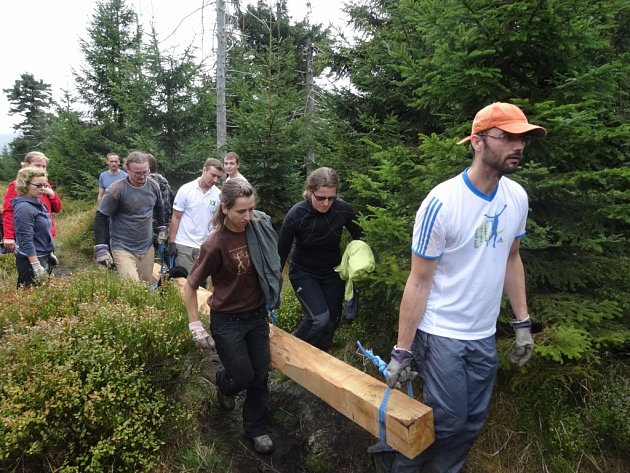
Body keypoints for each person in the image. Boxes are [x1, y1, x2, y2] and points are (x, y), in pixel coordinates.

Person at [383, 102, 543, 473]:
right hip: (442, 333)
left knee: (472, 422)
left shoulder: (516, 197)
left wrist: (522, 324)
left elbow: (511, 258)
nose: (517, 146)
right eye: (507, 137)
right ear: (477, 141)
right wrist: (402, 351)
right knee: (448, 422)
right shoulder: (442, 203)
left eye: (522, 138)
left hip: (483, 333)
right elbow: (419, 280)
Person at [183, 179, 281, 454]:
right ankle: (224, 384)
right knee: (242, 376)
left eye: (251, 209)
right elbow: (191, 285)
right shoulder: (215, 244)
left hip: (256, 316)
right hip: (227, 320)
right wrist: (195, 324)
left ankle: (256, 429)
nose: (248, 217)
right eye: (241, 211)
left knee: (260, 377)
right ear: (225, 208)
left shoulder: (257, 227)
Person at [277, 167, 364, 351]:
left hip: (332, 272)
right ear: (310, 191)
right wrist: (272, 286)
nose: (326, 203)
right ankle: (287, 352)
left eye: (331, 198)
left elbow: (361, 236)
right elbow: (280, 253)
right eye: (320, 198)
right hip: (303, 272)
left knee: (331, 322)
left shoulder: (342, 210)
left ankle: (318, 364)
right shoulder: (296, 215)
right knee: (318, 319)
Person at [93, 151, 166, 283]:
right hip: (123, 247)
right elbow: (100, 217)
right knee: (133, 287)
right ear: (127, 169)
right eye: (137, 173)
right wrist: (100, 247)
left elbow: (159, 207)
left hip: (146, 247)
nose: (142, 176)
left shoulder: (153, 186)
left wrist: (162, 228)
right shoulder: (116, 190)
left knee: (145, 286)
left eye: (145, 172)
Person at [168, 158, 223, 274]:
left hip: (206, 245)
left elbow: (218, 222)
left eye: (218, 177)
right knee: (184, 281)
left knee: (202, 285)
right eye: (213, 175)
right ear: (204, 170)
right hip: (184, 244)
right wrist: (171, 242)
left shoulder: (218, 195)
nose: (215, 180)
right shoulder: (186, 189)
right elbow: (176, 216)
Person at [2, 151, 62, 254]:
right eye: (37, 165)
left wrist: (52, 195)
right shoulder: (16, 185)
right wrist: (9, 236)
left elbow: (57, 209)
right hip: (28, 236)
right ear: (26, 165)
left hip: (47, 235)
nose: (41, 169)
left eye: (44, 166)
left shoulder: (45, 184)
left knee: (47, 267)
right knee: (30, 265)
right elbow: (9, 211)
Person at [11, 166, 57, 288]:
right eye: (38, 185)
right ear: (25, 185)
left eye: (44, 185)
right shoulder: (24, 208)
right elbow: (25, 239)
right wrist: (36, 265)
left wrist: (50, 251)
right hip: (31, 260)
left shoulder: (37, 202)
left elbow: (43, 232)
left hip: (43, 255)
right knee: (32, 300)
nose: (42, 189)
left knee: (42, 296)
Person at [147, 153, 172, 226]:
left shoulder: (147, 182)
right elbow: (167, 204)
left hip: (150, 220)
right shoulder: (163, 180)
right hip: (163, 220)